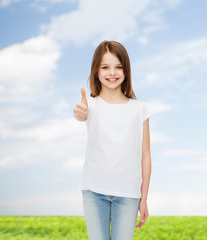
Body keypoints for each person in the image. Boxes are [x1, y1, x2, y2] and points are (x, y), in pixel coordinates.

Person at [73, 40, 152, 240]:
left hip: (128, 195)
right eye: (105, 67)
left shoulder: (139, 109)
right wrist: (80, 113)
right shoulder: (90, 104)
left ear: (126, 71)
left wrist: (144, 198)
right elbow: (80, 114)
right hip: (94, 191)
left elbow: (145, 155)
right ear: (96, 71)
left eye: (118, 67)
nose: (112, 73)